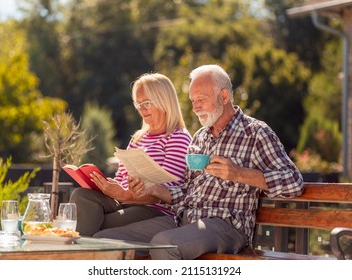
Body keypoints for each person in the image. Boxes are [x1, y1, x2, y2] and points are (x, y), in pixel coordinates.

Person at [93, 64, 304, 259]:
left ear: (224, 95)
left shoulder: (256, 133)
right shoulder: (200, 138)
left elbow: (293, 182)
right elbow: (186, 192)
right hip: (184, 219)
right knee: (104, 242)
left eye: (201, 99)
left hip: (227, 225)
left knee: (165, 244)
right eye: (193, 101)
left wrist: (238, 173)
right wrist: (153, 188)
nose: (195, 107)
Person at [69, 73, 191, 236]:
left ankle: (78, 255)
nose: (142, 110)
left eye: (146, 103)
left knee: (94, 220)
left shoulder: (178, 138)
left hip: (155, 210)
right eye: (138, 104)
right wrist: (107, 186)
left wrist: (125, 193)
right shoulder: (138, 138)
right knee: (81, 196)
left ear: (164, 102)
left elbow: (166, 193)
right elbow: (121, 178)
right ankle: (83, 254)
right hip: (125, 202)